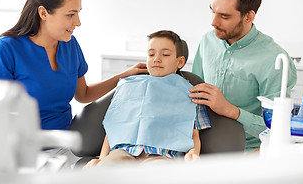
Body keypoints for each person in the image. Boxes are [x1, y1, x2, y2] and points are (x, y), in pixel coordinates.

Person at [0, 0, 147, 131]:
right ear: (43, 13)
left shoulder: (70, 45)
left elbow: (84, 94)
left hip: (66, 146)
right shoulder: (5, 49)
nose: (78, 22)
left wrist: (125, 75)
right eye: (70, 15)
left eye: (78, 14)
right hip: (23, 151)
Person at [189, 0, 297, 152]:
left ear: (248, 17)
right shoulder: (208, 41)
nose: (213, 22)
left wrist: (231, 110)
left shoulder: (274, 59)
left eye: (224, 16)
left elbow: (278, 129)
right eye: (213, 11)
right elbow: (194, 99)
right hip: (201, 144)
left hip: (247, 151)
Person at [84, 30, 211, 168]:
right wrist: (102, 158)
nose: (156, 58)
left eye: (165, 54)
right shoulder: (128, 87)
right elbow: (114, 127)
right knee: (105, 170)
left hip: (163, 155)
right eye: (151, 54)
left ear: (180, 61)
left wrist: (193, 152)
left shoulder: (190, 93)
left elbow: (193, 134)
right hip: (124, 152)